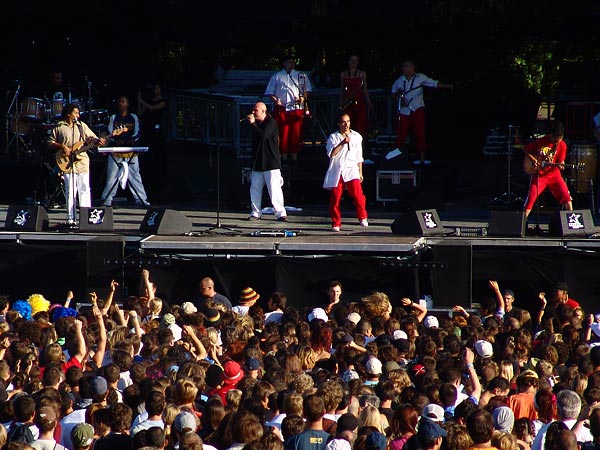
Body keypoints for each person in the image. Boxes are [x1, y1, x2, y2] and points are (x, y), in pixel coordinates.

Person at [47, 102, 106, 225]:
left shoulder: (81, 126)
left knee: (84, 188)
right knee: (70, 190)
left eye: (78, 113)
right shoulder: (59, 126)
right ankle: (71, 218)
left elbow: (90, 138)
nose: (78, 115)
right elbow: (49, 142)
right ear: (69, 114)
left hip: (82, 161)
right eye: (75, 112)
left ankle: (86, 219)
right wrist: (62, 147)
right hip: (67, 162)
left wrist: (97, 141)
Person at [391, 59, 453, 165]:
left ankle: (422, 159)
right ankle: (398, 158)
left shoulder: (420, 77)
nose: (404, 69)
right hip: (405, 111)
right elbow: (393, 93)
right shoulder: (400, 80)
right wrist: (399, 99)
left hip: (417, 108)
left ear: (412, 67)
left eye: (407, 66)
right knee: (401, 134)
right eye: (403, 66)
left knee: (420, 133)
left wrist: (447, 86)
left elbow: (434, 83)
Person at [100, 95, 150, 208]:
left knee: (135, 176)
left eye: (123, 102)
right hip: (116, 152)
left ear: (127, 104)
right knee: (112, 176)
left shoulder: (133, 117)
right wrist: (116, 139)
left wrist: (129, 140)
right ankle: (107, 199)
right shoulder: (113, 117)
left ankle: (141, 199)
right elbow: (109, 131)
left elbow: (137, 133)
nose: (121, 104)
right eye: (119, 102)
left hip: (131, 151)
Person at [323, 113, 368, 232]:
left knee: (358, 195)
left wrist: (360, 172)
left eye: (348, 121)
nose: (346, 124)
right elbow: (331, 154)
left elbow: (359, 156)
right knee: (336, 198)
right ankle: (336, 222)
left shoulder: (356, 136)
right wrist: (342, 143)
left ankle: (362, 217)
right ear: (339, 124)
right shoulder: (333, 137)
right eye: (343, 122)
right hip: (338, 170)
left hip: (352, 169)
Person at [264, 55, 312, 163]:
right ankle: (283, 158)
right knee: (283, 134)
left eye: (293, 62)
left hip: (296, 109)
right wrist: (276, 100)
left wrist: (302, 98)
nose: (292, 64)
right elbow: (270, 92)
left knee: (296, 134)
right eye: (289, 62)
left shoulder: (301, 75)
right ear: (284, 63)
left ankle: (295, 158)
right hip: (283, 109)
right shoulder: (277, 76)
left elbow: (308, 90)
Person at [245, 101, 288, 222]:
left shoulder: (271, 122)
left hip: (270, 161)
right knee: (255, 188)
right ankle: (255, 212)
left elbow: (263, 136)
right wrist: (253, 124)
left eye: (256, 110)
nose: (253, 112)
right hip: (258, 161)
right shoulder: (256, 124)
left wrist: (253, 124)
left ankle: (280, 213)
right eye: (253, 110)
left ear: (263, 111)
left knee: (274, 189)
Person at [522, 120, 572, 218]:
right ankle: (522, 223)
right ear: (551, 135)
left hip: (554, 174)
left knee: (566, 196)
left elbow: (561, 161)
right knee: (531, 197)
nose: (556, 142)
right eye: (554, 140)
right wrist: (534, 160)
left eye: (559, 140)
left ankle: (571, 221)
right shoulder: (541, 141)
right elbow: (526, 148)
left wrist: (561, 165)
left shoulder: (562, 145)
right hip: (539, 175)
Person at [138, 83, 168, 199]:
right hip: (147, 129)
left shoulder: (163, 101)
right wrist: (141, 101)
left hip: (157, 130)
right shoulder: (150, 100)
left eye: (157, 88)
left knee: (158, 155)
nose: (155, 90)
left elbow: (153, 108)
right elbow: (141, 113)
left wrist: (141, 99)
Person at [338, 54, 372, 139]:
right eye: (352, 60)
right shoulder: (344, 74)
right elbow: (342, 90)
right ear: (348, 62)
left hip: (360, 102)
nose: (354, 62)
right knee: (348, 124)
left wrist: (369, 103)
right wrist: (341, 102)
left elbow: (365, 89)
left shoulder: (362, 73)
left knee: (361, 126)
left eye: (356, 60)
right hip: (348, 102)